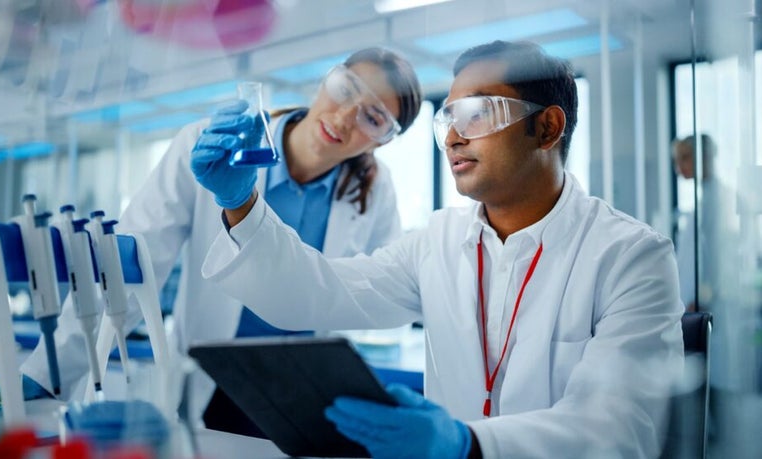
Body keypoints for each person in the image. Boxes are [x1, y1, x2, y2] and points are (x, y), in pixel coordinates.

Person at [194, 40, 684, 458]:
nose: (451, 137)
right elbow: (316, 293)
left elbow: (620, 431)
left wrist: (466, 445)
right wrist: (241, 202)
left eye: (475, 114)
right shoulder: (439, 241)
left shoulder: (632, 258)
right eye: (448, 117)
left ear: (548, 128)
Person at [20, 47, 424, 432]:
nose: (344, 118)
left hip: (301, 386)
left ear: (384, 140)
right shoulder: (214, 146)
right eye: (346, 90)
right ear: (326, 80)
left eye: (373, 118)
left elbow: (378, 295)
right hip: (212, 376)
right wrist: (50, 370)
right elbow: (131, 265)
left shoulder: (373, 192)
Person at [671, 134, 716, 312]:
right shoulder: (702, 202)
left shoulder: (715, 202)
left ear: (705, 157)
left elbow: (716, 259)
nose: (679, 167)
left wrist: (703, 297)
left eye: (685, 158)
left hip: (703, 303)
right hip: (691, 300)